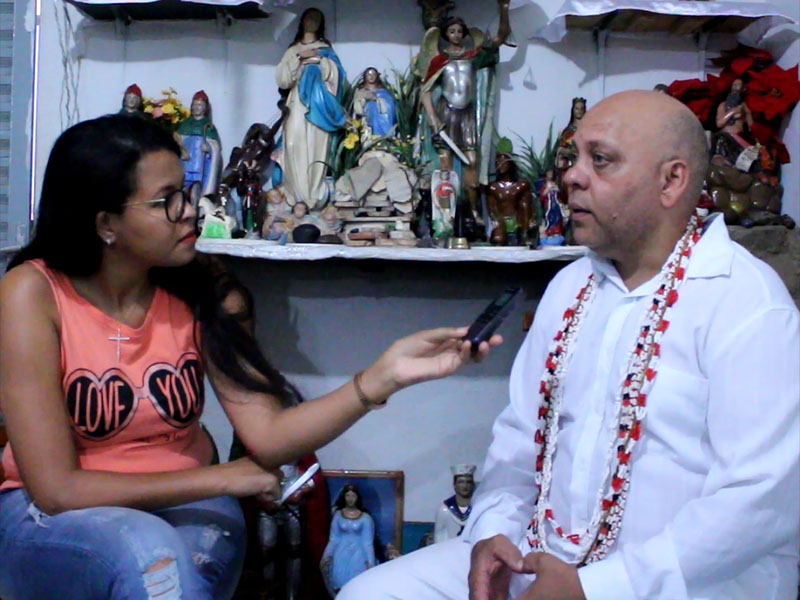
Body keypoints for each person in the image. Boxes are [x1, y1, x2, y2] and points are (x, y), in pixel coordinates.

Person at [0, 114, 501, 600]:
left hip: (188, 504)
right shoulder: (32, 293)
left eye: (189, 191)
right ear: (106, 223)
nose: (191, 210)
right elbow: (56, 489)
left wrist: (381, 377)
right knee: (151, 555)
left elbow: (269, 436)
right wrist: (222, 478)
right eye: (166, 201)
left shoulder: (206, 291)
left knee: (174, 566)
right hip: (51, 518)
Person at [337, 89, 799, 600]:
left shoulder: (746, 302)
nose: (572, 176)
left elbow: (762, 500)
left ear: (671, 181)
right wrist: (493, 533)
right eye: (573, 158)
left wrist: (596, 587)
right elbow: (518, 445)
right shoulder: (570, 287)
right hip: (541, 560)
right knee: (371, 593)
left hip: (675, 586)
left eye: (600, 160)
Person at [418, 0, 511, 225]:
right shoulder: (439, 60)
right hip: (445, 113)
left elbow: (499, 39)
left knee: (472, 162)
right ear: (445, 35)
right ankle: (446, 217)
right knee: (446, 169)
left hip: (467, 115)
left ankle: (473, 211)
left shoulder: (473, 57)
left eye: (460, 31)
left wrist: (504, 10)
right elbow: (426, 90)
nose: (456, 34)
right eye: (452, 31)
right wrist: (432, 117)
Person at [275, 8, 346, 210]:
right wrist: (299, 57)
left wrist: (320, 62)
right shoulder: (293, 49)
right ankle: (296, 194)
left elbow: (336, 76)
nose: (312, 22)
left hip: (318, 104)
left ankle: (314, 195)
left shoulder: (325, 49)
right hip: (297, 102)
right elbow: (283, 79)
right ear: (302, 21)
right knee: (293, 142)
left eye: (316, 18)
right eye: (309, 18)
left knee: (315, 146)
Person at [321, 484, 377, 596]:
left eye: (353, 496)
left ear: (357, 498)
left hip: (358, 555)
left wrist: (371, 562)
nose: (350, 499)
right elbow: (334, 538)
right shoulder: (338, 515)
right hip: (340, 554)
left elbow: (367, 543)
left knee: (355, 582)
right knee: (338, 580)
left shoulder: (365, 518)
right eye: (347, 495)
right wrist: (327, 554)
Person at [177, 90, 222, 200]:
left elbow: (216, 146)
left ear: (205, 108)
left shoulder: (208, 127)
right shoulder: (185, 124)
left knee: (196, 191)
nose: (197, 107)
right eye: (195, 104)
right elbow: (177, 138)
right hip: (186, 162)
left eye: (200, 105)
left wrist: (210, 147)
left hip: (199, 165)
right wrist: (181, 148)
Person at [486, 144, 534, 246]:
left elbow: (527, 207)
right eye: (497, 162)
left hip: (518, 221)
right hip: (501, 221)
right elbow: (492, 209)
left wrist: (528, 223)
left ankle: (524, 235)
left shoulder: (521, 186)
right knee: (498, 238)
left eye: (503, 162)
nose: (500, 165)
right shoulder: (493, 187)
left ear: (510, 164)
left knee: (523, 205)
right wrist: (497, 222)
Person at [433, 464, 476, 544]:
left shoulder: (478, 508)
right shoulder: (444, 510)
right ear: (454, 485)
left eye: (468, 482)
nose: (465, 486)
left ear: (472, 485)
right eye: (461, 482)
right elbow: (439, 538)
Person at [352, 67, 397, 138]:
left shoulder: (384, 91)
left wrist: (378, 100)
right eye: (369, 74)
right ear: (365, 76)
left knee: (376, 107)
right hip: (368, 116)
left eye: (373, 74)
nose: (371, 77)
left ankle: (386, 136)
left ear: (377, 76)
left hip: (383, 115)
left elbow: (390, 104)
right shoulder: (361, 91)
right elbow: (357, 106)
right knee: (372, 107)